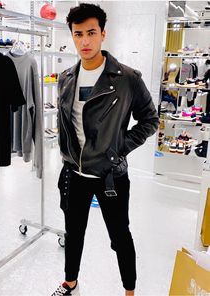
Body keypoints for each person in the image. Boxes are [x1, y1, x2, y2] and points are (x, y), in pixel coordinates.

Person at [52, 3, 159, 296]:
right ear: (71, 36)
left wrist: (119, 148)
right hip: (75, 173)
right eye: (78, 34)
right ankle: (69, 281)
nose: (84, 41)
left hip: (111, 174)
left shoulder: (126, 79)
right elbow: (67, 126)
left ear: (103, 34)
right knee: (73, 233)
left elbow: (150, 119)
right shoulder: (65, 79)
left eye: (91, 32)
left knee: (120, 236)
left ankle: (129, 290)